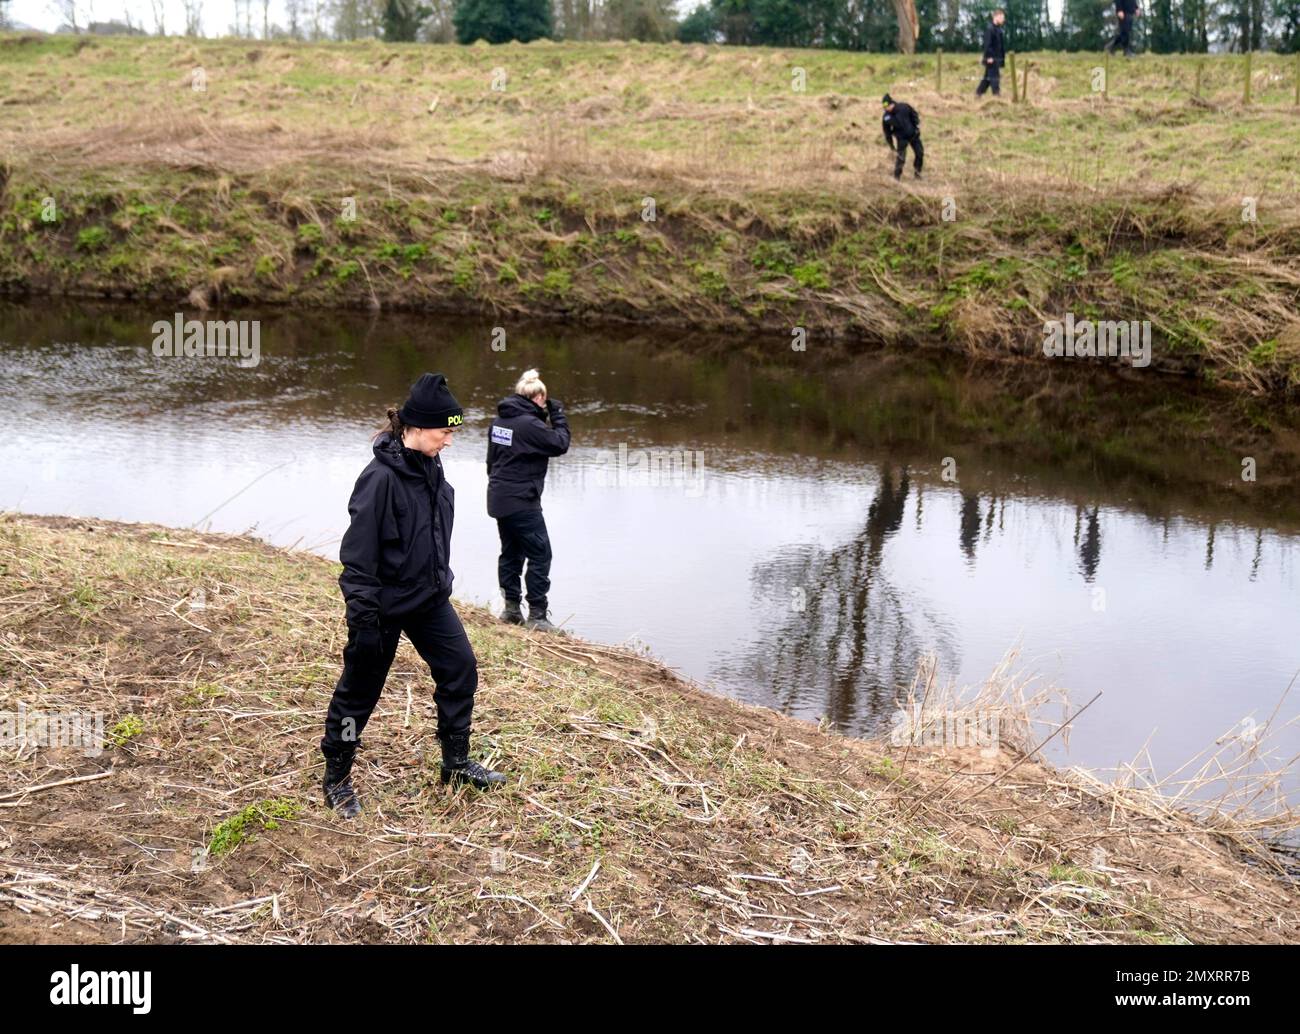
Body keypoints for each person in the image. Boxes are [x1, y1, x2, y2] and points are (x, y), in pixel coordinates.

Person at [320, 372, 505, 820]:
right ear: (417, 427)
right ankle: (337, 777)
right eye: (446, 431)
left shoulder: (430, 464)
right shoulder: (379, 479)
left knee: (460, 667)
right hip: (381, 607)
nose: (450, 440)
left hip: (428, 600)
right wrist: (362, 621)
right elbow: (358, 558)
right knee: (358, 693)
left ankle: (456, 763)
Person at [486, 368, 571, 633]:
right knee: (540, 553)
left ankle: (511, 609)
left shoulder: (499, 422)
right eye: (544, 402)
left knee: (511, 552)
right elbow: (560, 443)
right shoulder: (529, 425)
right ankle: (537, 615)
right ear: (538, 399)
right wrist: (557, 415)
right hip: (522, 500)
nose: (545, 407)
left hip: (499, 498)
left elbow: (491, 461)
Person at [881, 94, 923, 181]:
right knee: (901, 158)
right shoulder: (886, 117)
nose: (886, 109)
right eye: (884, 107)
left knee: (920, 153)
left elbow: (914, 115)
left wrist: (917, 126)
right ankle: (896, 178)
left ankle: (917, 173)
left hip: (913, 135)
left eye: (887, 106)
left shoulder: (904, 107)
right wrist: (892, 146)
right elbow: (887, 133)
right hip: (901, 138)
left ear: (892, 103)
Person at [977, 9, 1006, 97]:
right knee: (994, 77)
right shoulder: (990, 29)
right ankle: (996, 94)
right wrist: (989, 57)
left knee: (987, 78)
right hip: (991, 58)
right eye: (1001, 17)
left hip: (997, 58)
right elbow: (987, 45)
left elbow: (1000, 46)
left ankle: (979, 93)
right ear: (995, 17)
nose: (1003, 20)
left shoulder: (999, 30)